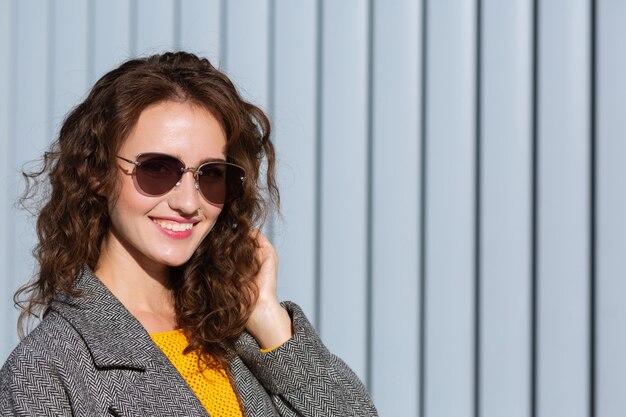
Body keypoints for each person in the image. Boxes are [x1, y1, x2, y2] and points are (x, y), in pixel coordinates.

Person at [0, 51, 377, 417]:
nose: (188, 202)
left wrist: (267, 317)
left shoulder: (232, 331)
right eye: (158, 169)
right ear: (97, 173)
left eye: (211, 174)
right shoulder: (47, 371)